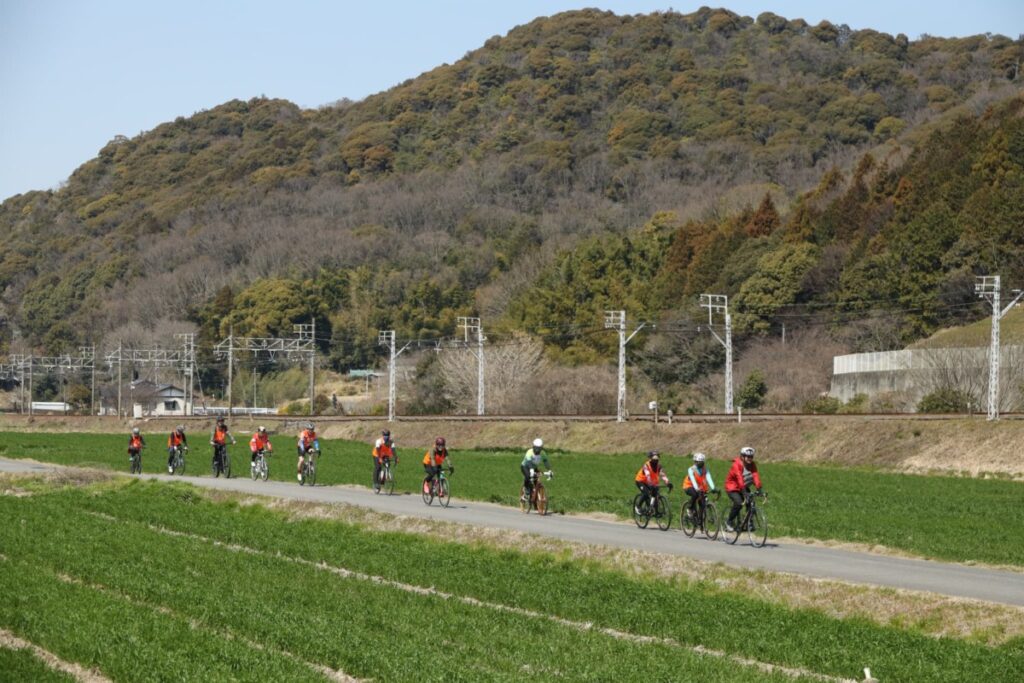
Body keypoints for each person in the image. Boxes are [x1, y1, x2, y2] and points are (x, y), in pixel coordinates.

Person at [725, 446, 763, 532]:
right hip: (732, 487)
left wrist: (759, 488)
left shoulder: (752, 465)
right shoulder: (736, 465)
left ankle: (749, 522)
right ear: (742, 456)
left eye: (751, 457)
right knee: (739, 503)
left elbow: (755, 476)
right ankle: (729, 521)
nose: (750, 459)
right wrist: (744, 492)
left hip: (743, 487)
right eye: (748, 456)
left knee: (751, 503)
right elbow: (739, 478)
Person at [683, 452, 715, 520]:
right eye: (699, 462)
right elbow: (693, 479)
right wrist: (697, 488)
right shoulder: (691, 469)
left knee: (702, 503)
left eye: (702, 462)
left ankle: (700, 521)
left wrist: (713, 488)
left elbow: (709, 478)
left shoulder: (705, 469)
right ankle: (690, 508)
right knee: (695, 494)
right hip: (688, 486)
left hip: (699, 488)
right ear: (695, 462)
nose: (701, 464)